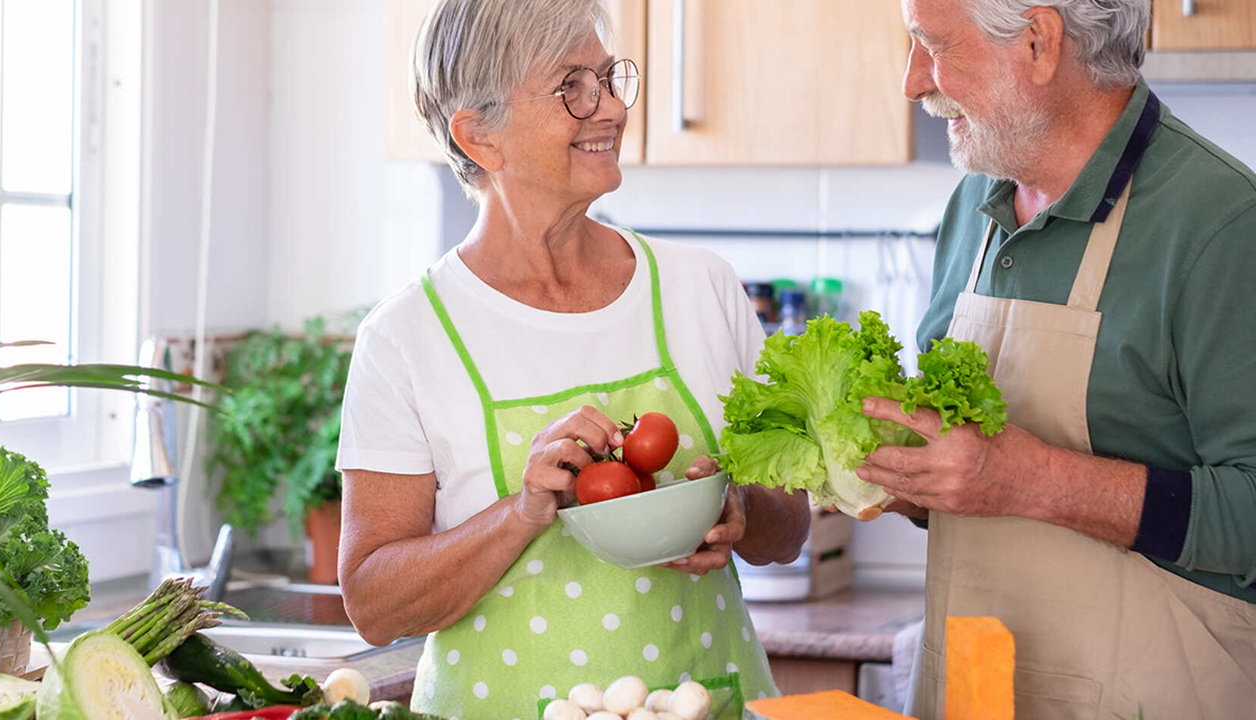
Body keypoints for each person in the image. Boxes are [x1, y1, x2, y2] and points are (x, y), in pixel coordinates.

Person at [332, 0, 810, 716]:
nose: (612, 107)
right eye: (572, 88)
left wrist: (739, 509)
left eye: (609, 78)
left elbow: (791, 531)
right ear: (479, 135)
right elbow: (374, 604)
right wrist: (522, 513)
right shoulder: (406, 337)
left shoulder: (702, 288)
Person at [856, 0, 1256, 716]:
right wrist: (901, 474)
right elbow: (969, 476)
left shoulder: (1221, 225)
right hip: (971, 695)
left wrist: (1032, 480)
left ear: (1039, 42)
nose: (913, 83)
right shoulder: (974, 206)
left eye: (933, 46)